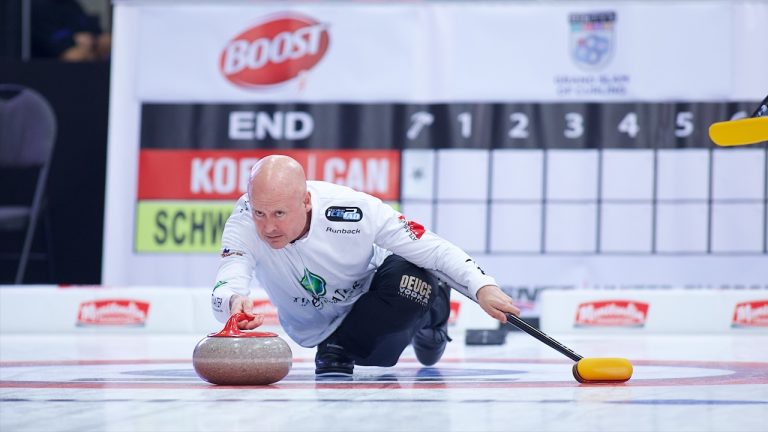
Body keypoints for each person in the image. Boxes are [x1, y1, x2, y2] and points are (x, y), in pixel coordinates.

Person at [210, 155, 520, 376]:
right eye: (260, 214)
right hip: (314, 326)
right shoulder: (243, 223)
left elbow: (430, 247)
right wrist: (233, 304)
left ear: (305, 201)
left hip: (375, 300)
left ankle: (433, 312)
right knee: (357, 352)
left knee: (413, 275)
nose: (267, 228)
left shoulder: (352, 209)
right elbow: (229, 279)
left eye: (279, 214)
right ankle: (338, 346)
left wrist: (483, 286)